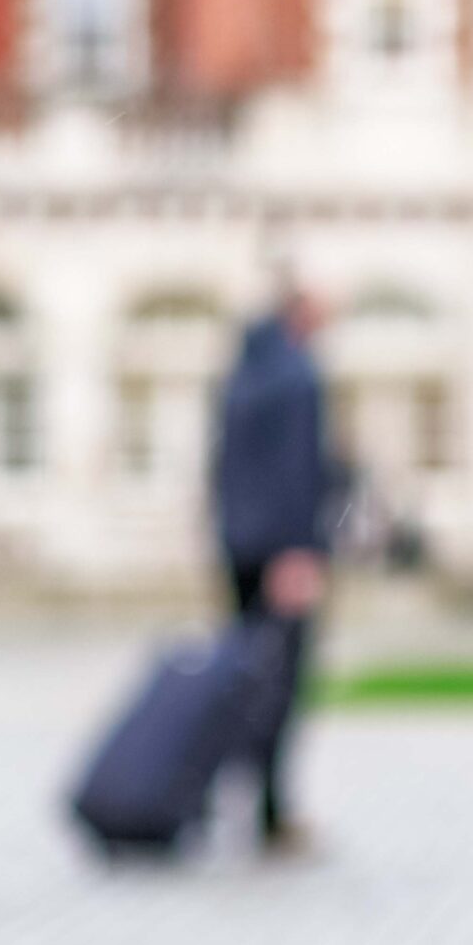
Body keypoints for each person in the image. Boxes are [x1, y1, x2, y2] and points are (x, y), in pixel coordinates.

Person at [211, 280, 335, 855]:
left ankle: (234, 796)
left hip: (238, 549)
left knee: (246, 676)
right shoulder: (297, 377)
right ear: (301, 313)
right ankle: (270, 810)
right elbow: (297, 470)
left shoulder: (240, 375)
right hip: (283, 553)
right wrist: (298, 549)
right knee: (281, 684)